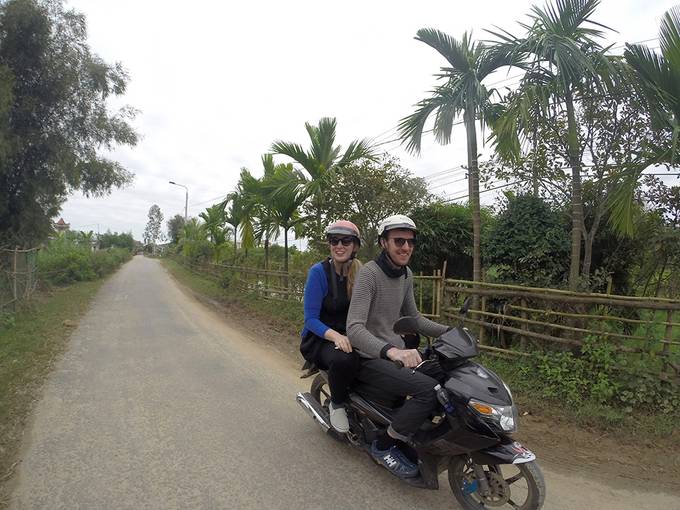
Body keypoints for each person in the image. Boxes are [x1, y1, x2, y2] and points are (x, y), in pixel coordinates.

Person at [347, 214, 449, 479]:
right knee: (428, 391)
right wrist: (392, 351)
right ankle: (383, 445)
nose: (406, 247)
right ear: (383, 243)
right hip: (371, 357)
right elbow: (354, 328)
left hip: (396, 353)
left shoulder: (406, 274)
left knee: (446, 374)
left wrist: (449, 333)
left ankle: (420, 432)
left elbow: (413, 319)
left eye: (410, 242)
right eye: (399, 241)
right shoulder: (369, 274)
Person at [300, 220, 363, 433]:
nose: (339, 245)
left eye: (346, 241)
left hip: (350, 334)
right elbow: (310, 319)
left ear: (355, 246)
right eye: (334, 240)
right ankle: (337, 403)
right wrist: (335, 336)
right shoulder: (318, 272)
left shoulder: (360, 272)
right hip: (319, 338)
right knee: (345, 358)